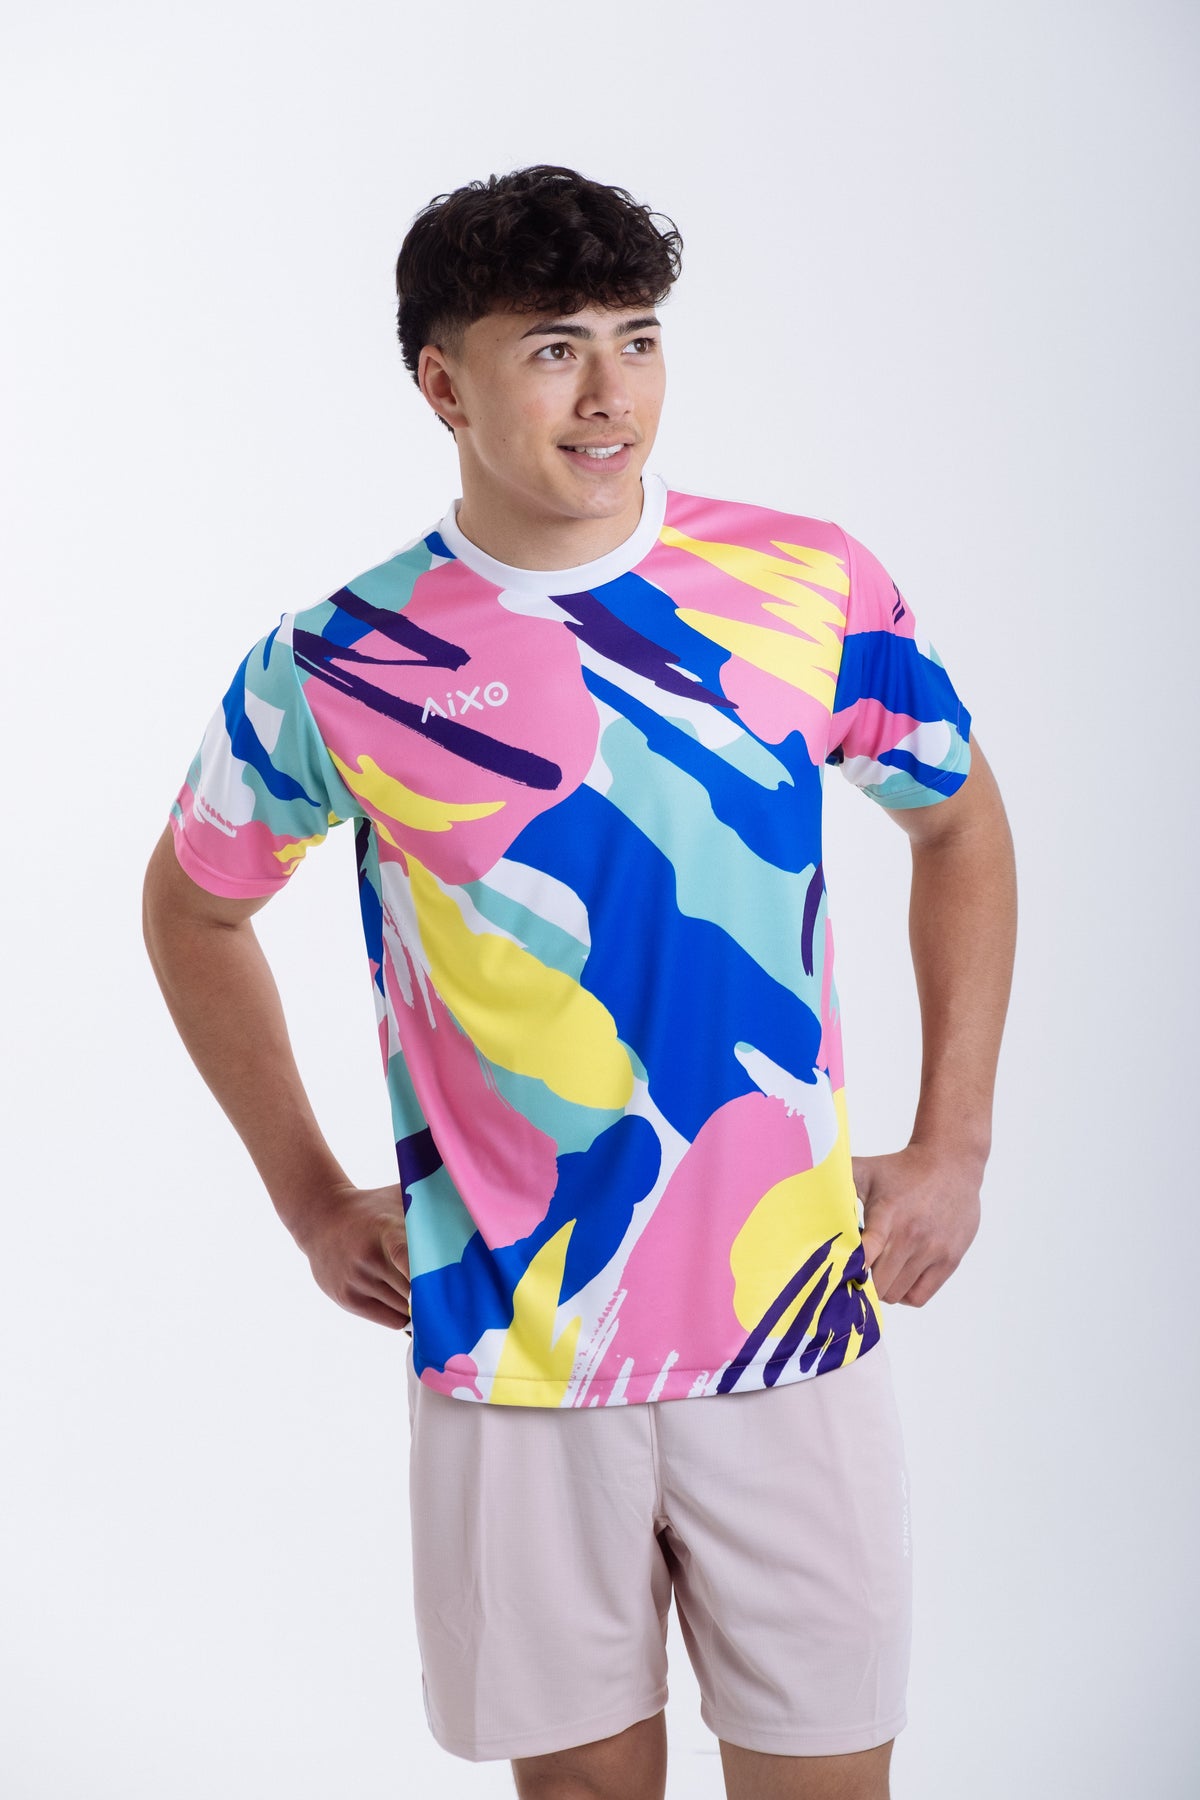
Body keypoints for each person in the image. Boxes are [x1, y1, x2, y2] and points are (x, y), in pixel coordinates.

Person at [142, 164, 1017, 1800]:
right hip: (513, 1351)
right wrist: (310, 1197)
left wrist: (954, 1139)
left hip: (792, 1321)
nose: (612, 393)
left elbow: (956, 821)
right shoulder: (341, 660)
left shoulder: (811, 586)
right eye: (554, 348)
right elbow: (194, 911)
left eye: (637, 337)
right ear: (442, 383)